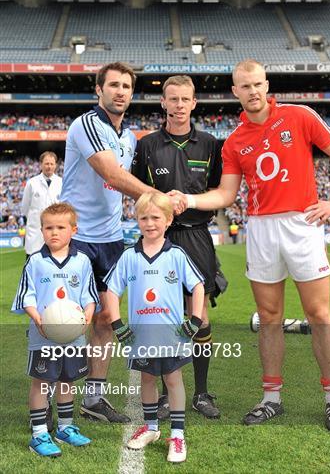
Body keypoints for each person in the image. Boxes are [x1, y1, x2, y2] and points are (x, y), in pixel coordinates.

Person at [172, 59, 330, 432]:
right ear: (235, 92)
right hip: (261, 229)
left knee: (319, 313)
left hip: (302, 223)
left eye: (257, 84)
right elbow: (225, 193)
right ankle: (272, 398)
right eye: (244, 86)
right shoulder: (235, 141)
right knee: (268, 317)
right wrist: (187, 200)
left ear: (266, 85)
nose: (252, 92)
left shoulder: (300, 116)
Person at [61, 62, 181, 424]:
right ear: (99, 90)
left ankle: (93, 399)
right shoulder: (86, 125)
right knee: (67, 323)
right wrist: (162, 197)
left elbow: (122, 186)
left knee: (104, 321)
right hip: (77, 238)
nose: (120, 91)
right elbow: (112, 174)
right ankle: (54, 402)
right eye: (113, 85)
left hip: (112, 242)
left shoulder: (129, 138)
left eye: (126, 86)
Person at [132, 75, 222, 419]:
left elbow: (218, 192)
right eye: (173, 99)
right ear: (164, 103)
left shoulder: (211, 144)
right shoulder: (148, 144)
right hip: (160, 237)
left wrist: (192, 201)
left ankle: (201, 393)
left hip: (197, 235)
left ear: (194, 103)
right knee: (163, 314)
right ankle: (170, 393)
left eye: (186, 99)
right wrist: (158, 200)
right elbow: (136, 189)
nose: (180, 105)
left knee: (198, 314)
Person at [105, 193, 204, 463]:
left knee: (173, 380)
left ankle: (178, 434)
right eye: (143, 217)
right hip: (141, 335)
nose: (149, 223)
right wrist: (117, 324)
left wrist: (194, 320)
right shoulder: (129, 256)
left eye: (155, 217)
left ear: (169, 220)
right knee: (147, 379)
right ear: (136, 219)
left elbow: (197, 285)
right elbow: (112, 290)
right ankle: (150, 428)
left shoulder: (176, 254)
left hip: (172, 335)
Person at [11, 203, 99, 457]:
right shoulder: (35, 262)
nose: (54, 232)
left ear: (73, 230)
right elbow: (26, 297)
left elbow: (89, 297)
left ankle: (65, 427)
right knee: (41, 381)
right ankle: (39, 434)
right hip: (44, 336)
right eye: (48, 227)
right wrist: (38, 318)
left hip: (73, 337)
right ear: (42, 230)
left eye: (61, 227)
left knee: (66, 380)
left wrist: (87, 319)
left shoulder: (82, 261)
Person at [21, 151, 62, 257]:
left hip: (55, 229)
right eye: (46, 163)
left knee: (54, 263)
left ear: (56, 165)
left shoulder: (61, 183)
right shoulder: (32, 183)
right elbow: (25, 208)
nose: (49, 167)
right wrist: (35, 219)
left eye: (52, 164)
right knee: (33, 261)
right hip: (36, 230)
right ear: (41, 164)